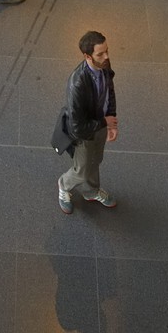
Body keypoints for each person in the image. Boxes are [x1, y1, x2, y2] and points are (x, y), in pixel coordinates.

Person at [58, 30, 118, 213]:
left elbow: (109, 91)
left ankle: (91, 191)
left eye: (107, 51)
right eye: (100, 54)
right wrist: (104, 122)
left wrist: (111, 120)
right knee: (82, 170)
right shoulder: (77, 83)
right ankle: (64, 186)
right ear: (87, 56)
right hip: (85, 133)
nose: (106, 57)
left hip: (100, 124)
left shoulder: (104, 64)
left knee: (96, 160)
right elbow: (78, 127)